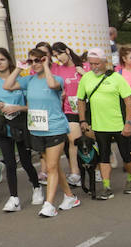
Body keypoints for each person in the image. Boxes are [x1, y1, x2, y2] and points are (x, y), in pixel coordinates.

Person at [5, 47, 79, 216]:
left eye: (38, 60)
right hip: (37, 130)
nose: (34, 64)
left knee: (51, 167)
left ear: (45, 60)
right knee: (54, 166)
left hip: (55, 128)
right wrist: (19, 67)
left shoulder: (57, 78)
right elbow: (7, 86)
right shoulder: (29, 80)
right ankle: (70, 196)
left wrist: (46, 66)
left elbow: (53, 85)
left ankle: (49, 204)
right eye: (31, 61)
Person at [0, 47, 43, 211]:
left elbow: (30, 105)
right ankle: (14, 198)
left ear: (8, 60)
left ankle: (37, 187)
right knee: (9, 162)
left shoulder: (22, 80)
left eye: (2, 59)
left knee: (25, 161)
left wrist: (18, 108)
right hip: (3, 126)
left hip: (20, 124)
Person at [76, 47, 131, 199]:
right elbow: (81, 100)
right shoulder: (86, 78)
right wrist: (83, 120)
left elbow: (129, 102)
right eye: (91, 64)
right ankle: (106, 186)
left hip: (119, 125)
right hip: (99, 126)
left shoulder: (116, 78)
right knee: (103, 156)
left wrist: (128, 122)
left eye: (97, 64)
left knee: (126, 156)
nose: (94, 67)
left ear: (105, 62)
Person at [50, 43, 84, 189]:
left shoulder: (83, 66)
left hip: (87, 109)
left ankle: (96, 166)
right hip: (68, 110)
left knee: (91, 139)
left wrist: (84, 74)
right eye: (55, 56)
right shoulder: (57, 69)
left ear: (67, 51)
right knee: (73, 140)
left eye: (60, 54)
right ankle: (75, 173)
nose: (58, 58)